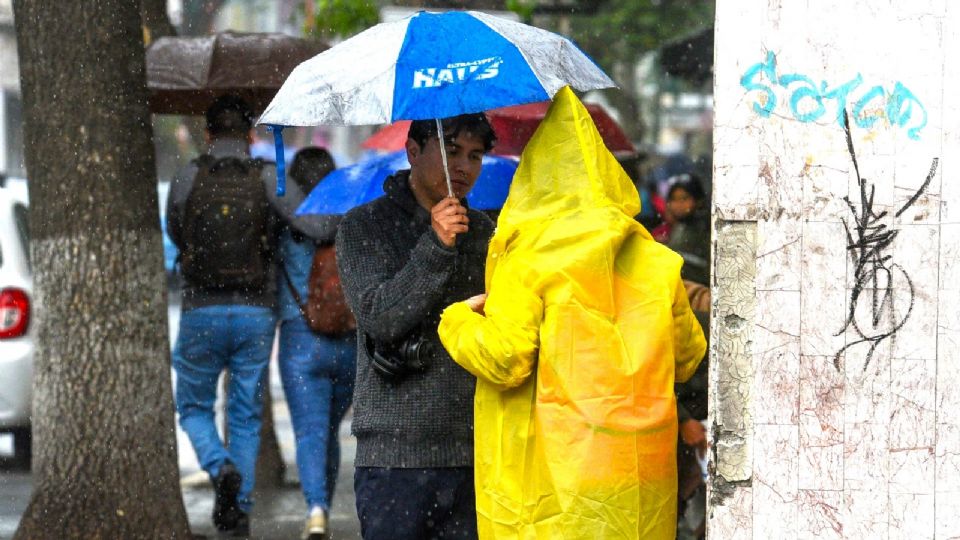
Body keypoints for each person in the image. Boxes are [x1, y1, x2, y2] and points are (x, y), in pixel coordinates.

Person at [437, 87, 707, 539]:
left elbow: (506, 360)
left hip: (555, 480)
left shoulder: (529, 259)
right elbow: (686, 358)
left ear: (534, 178)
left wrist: (457, 320)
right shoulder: (657, 261)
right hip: (636, 476)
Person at [166, 95, 324, 537]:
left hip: (201, 309)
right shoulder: (268, 177)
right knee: (245, 413)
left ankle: (219, 469)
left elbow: (176, 230)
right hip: (257, 311)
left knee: (194, 405)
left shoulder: (187, 176)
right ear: (251, 136)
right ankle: (241, 510)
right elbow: (313, 224)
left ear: (208, 132)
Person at [335, 113, 497, 540]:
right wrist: (436, 245)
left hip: (477, 448)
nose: (463, 167)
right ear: (413, 151)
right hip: (394, 457)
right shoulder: (363, 226)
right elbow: (380, 318)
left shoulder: (485, 231)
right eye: (451, 151)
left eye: (475, 156)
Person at [275, 147, 356, 540]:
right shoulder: (350, 219)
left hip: (301, 338)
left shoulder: (288, 223)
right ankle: (323, 502)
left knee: (310, 430)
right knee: (329, 430)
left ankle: (317, 508)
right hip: (348, 340)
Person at [661, 174, 711, 286]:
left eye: (684, 198)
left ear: (698, 200)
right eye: (674, 199)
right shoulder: (680, 226)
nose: (678, 204)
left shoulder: (705, 229)